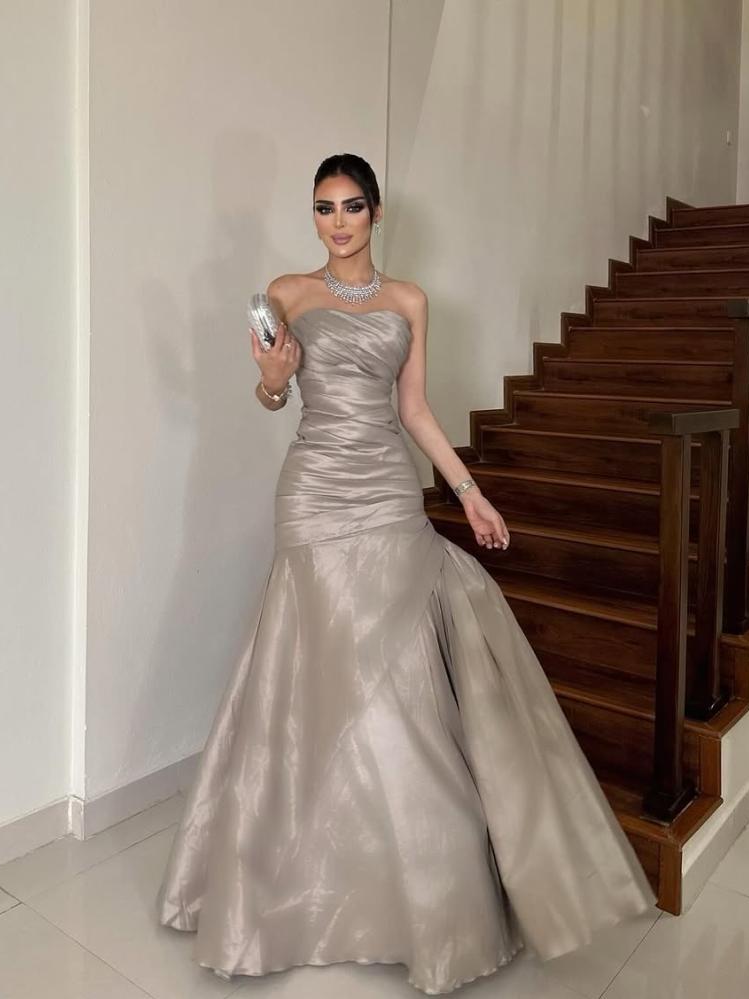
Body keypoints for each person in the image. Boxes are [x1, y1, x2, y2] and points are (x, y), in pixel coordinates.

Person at [157, 152, 656, 996]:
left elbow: (414, 410)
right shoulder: (286, 292)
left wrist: (469, 493)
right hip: (314, 491)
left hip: (386, 490)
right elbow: (270, 392)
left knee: (395, 686)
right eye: (323, 207)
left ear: (377, 212)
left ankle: (420, 888)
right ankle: (299, 881)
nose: (337, 222)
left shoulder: (408, 300)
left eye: (352, 206)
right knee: (316, 676)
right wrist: (272, 384)